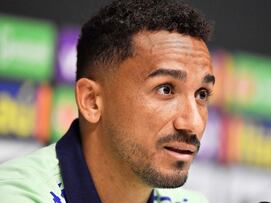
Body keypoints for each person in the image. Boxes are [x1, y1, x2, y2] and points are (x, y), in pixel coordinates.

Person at [0, 0, 215, 202]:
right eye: (165, 89)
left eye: (202, 94)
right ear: (91, 101)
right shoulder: (17, 195)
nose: (193, 123)